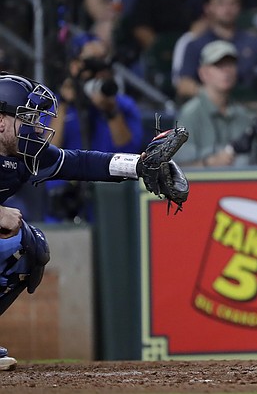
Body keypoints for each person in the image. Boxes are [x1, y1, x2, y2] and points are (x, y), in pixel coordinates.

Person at [0, 72, 189, 370]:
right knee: (11, 232)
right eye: (26, 118)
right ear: (0, 121)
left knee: (28, 248)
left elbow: (80, 161)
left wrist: (138, 165)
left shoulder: (24, 154)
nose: (36, 127)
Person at [175, 0, 257, 101]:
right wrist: (214, 96)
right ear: (208, 8)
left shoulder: (254, 42)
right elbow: (184, 85)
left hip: (251, 107)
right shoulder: (196, 44)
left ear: (240, 7)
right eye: (221, 3)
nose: (227, 9)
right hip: (210, 109)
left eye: (233, 3)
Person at [174, 41, 256, 168]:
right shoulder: (190, 113)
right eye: (219, 65)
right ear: (203, 73)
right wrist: (209, 163)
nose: (226, 71)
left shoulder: (243, 115)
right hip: (201, 186)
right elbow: (177, 167)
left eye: (230, 65)